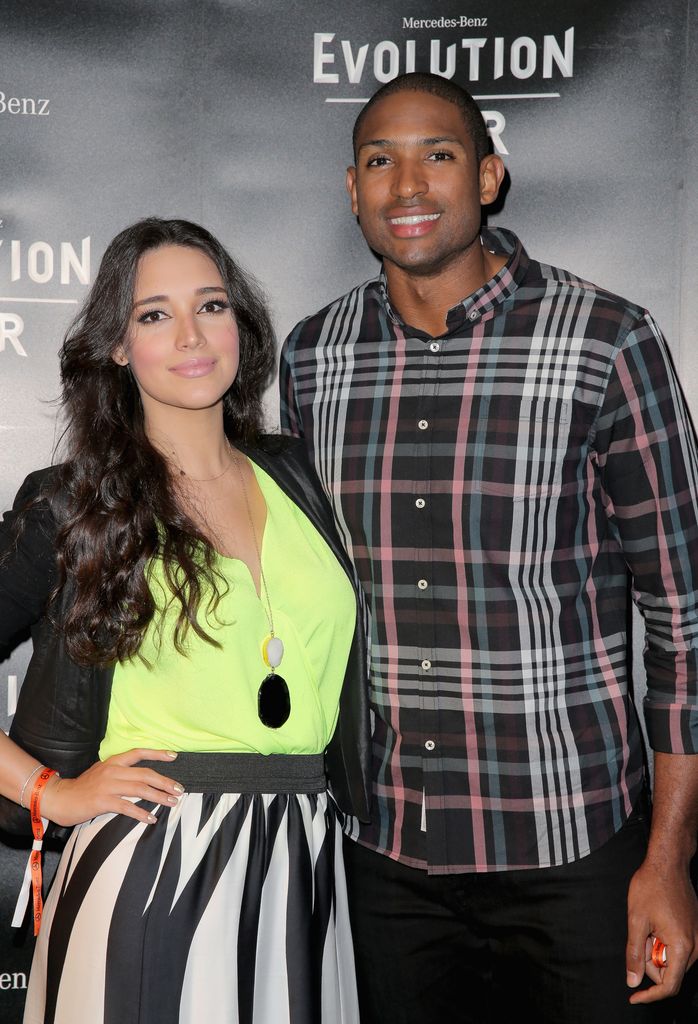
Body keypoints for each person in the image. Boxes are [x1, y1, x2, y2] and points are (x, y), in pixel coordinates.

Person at [279, 72, 698, 1023]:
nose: (408, 186)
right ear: (353, 190)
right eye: (380, 161)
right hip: (385, 859)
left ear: (490, 176)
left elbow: (683, 618)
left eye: (440, 155)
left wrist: (668, 859)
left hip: (574, 850)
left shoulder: (607, 342)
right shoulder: (311, 359)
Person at [0, 217, 370, 1024]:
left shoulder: (298, 476)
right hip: (156, 868)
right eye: (155, 314)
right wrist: (48, 795)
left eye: (212, 305)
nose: (192, 334)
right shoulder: (72, 503)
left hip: (306, 861)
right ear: (119, 347)